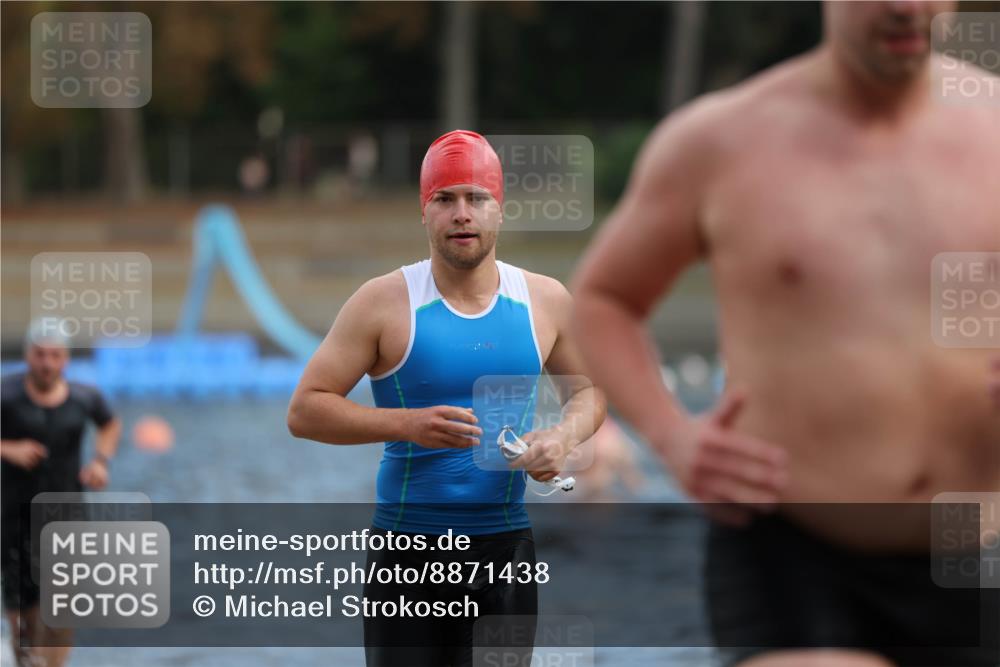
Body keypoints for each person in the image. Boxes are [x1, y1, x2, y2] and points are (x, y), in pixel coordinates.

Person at [570, 2, 999, 666]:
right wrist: (672, 435)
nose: (905, 7)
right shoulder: (722, 140)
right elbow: (603, 299)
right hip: (792, 550)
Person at [287, 130, 606, 667]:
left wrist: (561, 437)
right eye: (445, 199)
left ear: (499, 209)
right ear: (424, 211)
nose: (462, 214)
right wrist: (406, 424)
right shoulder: (383, 302)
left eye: (476, 198)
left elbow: (590, 391)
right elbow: (304, 410)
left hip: (505, 552)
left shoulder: (545, 300)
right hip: (407, 553)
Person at [1, 321, 121, 667]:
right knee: (24, 625)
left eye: (55, 355)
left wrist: (100, 461)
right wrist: (8, 448)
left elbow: (110, 424)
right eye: (40, 355)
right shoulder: (6, 396)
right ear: (28, 355)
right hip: (14, 520)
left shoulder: (84, 398)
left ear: (66, 358)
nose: (47, 363)